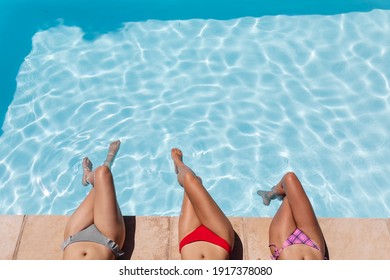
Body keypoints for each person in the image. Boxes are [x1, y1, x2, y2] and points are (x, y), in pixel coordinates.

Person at [62, 140, 126, 260]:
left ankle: (89, 176)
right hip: (107, 240)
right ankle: (95, 173)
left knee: (101, 182)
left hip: (73, 238)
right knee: (103, 173)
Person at [171, 148, 235, 260]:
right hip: (219, 238)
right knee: (192, 182)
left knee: (190, 180)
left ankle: (179, 164)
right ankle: (180, 165)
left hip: (189, 237)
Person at [257, 172, 329, 260]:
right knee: (289, 178)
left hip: (284, 246)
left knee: (289, 196)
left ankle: (270, 194)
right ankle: (271, 194)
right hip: (313, 244)